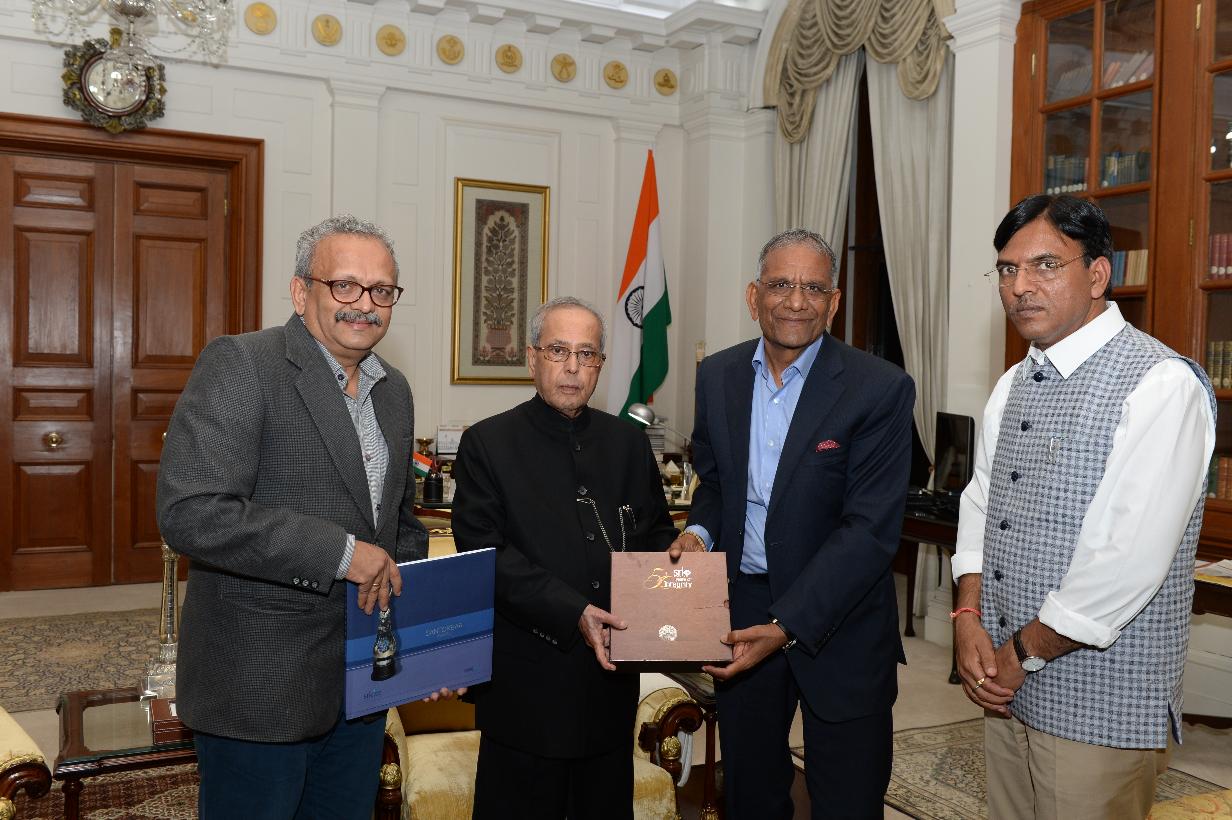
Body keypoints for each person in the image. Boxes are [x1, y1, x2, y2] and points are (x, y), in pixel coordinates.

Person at [157, 215, 453, 818]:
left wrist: (422, 646)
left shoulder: (394, 390)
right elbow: (192, 511)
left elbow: (399, 530)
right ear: (301, 292)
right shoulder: (243, 364)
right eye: (345, 285)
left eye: (381, 290)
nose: (364, 304)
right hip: (260, 686)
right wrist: (340, 554)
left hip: (362, 684)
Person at [952, 194, 1217, 820]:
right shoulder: (1013, 383)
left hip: (1099, 702)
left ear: (1098, 275)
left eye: (1045, 265)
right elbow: (982, 503)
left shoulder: (1161, 383)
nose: (1020, 286)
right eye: (1008, 269)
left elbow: (1125, 562)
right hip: (1007, 684)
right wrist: (967, 615)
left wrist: (1019, 654)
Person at [669, 228, 916, 819]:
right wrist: (699, 534)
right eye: (780, 285)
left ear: (834, 302)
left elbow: (869, 531)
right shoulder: (718, 376)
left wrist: (787, 625)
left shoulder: (880, 388)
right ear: (753, 296)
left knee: (848, 802)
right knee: (751, 794)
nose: (796, 301)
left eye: (813, 288)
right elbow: (716, 484)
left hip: (843, 619)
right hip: (744, 607)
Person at [451, 296, 678, 820]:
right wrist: (573, 610)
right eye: (558, 350)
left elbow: (654, 535)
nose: (573, 366)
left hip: (608, 686)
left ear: (600, 364)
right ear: (532, 359)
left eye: (587, 353)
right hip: (525, 689)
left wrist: (682, 560)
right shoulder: (487, 443)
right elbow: (484, 553)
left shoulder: (628, 444)